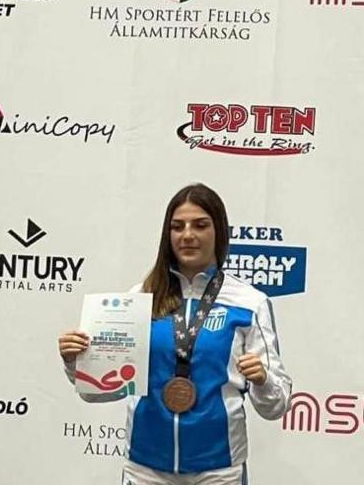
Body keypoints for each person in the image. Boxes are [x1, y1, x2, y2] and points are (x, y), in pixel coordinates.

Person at [58, 184, 291, 484]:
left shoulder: (249, 303)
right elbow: (99, 391)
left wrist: (262, 379)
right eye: (177, 227)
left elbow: (277, 405)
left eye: (200, 225)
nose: (188, 235)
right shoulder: (141, 298)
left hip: (218, 468)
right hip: (146, 467)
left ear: (218, 231)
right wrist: (76, 362)